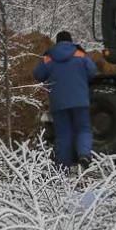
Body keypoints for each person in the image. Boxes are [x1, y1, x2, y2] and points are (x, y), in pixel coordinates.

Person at [33, 30, 97, 167]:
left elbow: (37, 74)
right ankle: (84, 155)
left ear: (57, 42)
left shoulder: (49, 57)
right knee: (83, 129)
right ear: (70, 40)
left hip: (59, 103)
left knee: (63, 135)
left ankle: (62, 170)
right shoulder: (80, 54)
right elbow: (92, 71)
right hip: (80, 101)